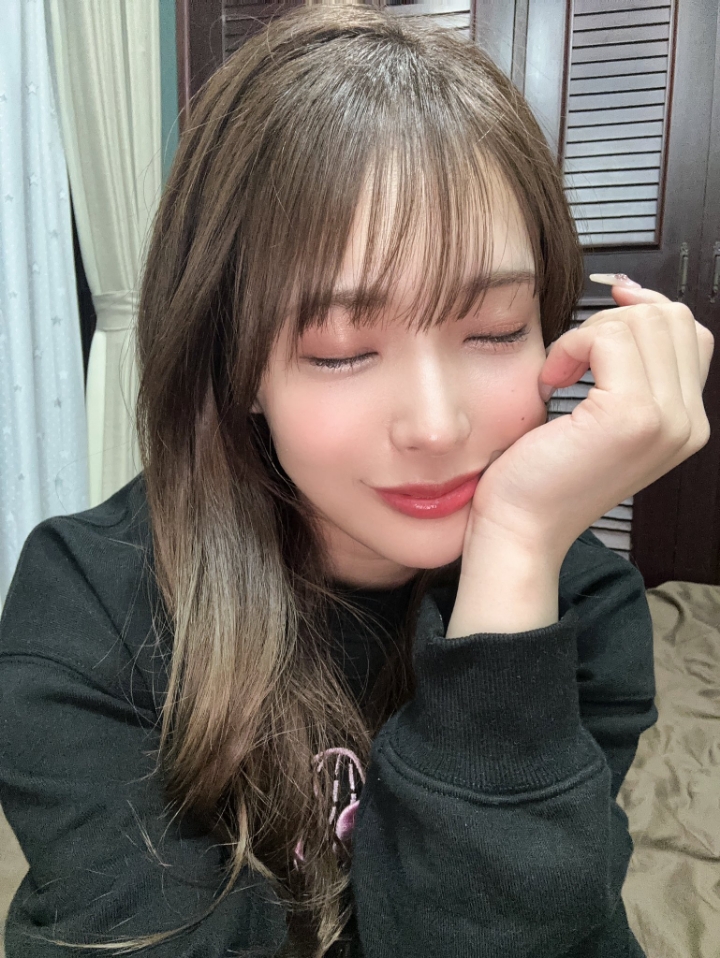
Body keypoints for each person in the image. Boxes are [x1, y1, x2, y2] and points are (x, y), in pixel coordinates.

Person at [0, 4, 714, 957]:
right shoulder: (87, 607)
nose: (436, 426)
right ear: (237, 368)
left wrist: (513, 561)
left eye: (495, 330)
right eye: (340, 349)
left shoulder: (579, 602)